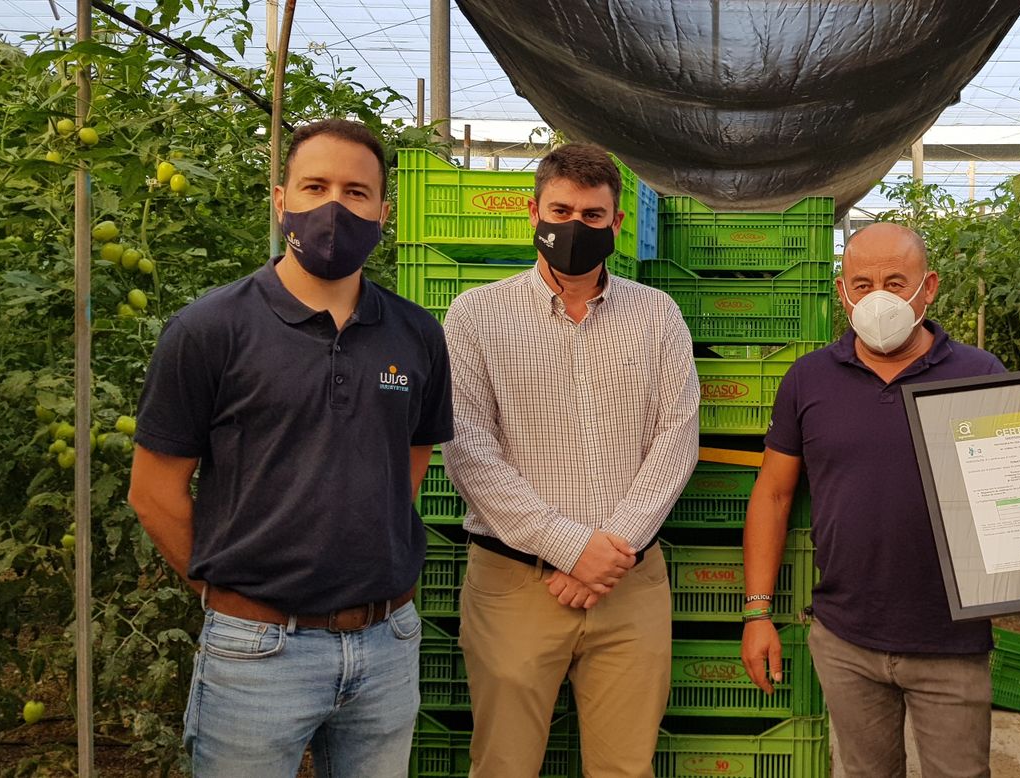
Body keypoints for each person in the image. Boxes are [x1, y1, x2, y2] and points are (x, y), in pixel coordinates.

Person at [127, 118, 454, 776]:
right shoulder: (209, 330)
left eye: (356, 193)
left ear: (383, 213)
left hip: (386, 643)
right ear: (281, 200)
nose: (335, 207)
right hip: (257, 652)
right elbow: (154, 492)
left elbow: (406, 468)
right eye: (315, 186)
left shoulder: (417, 334)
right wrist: (234, 598)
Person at [739, 223, 1020, 778]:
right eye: (863, 284)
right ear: (842, 292)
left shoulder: (978, 374)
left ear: (929, 287)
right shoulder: (809, 379)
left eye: (896, 282)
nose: (879, 298)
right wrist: (757, 611)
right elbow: (772, 495)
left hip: (950, 639)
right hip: (846, 636)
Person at [443, 143, 698, 777]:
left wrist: (607, 553)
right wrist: (569, 548)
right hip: (515, 583)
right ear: (534, 213)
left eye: (592, 215)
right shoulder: (476, 315)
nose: (574, 226)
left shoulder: (657, 315)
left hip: (628, 582)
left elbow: (677, 438)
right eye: (561, 211)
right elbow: (468, 448)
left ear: (616, 223)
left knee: (625, 768)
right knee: (503, 766)